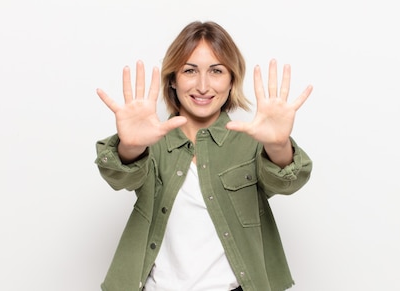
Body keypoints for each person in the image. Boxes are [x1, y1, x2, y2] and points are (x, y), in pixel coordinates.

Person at [94, 20, 313, 291]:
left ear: (232, 78)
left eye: (216, 71)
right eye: (190, 70)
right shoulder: (152, 143)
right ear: (173, 79)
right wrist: (130, 147)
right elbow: (118, 176)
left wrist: (279, 144)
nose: (202, 85)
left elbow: (287, 182)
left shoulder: (253, 142)